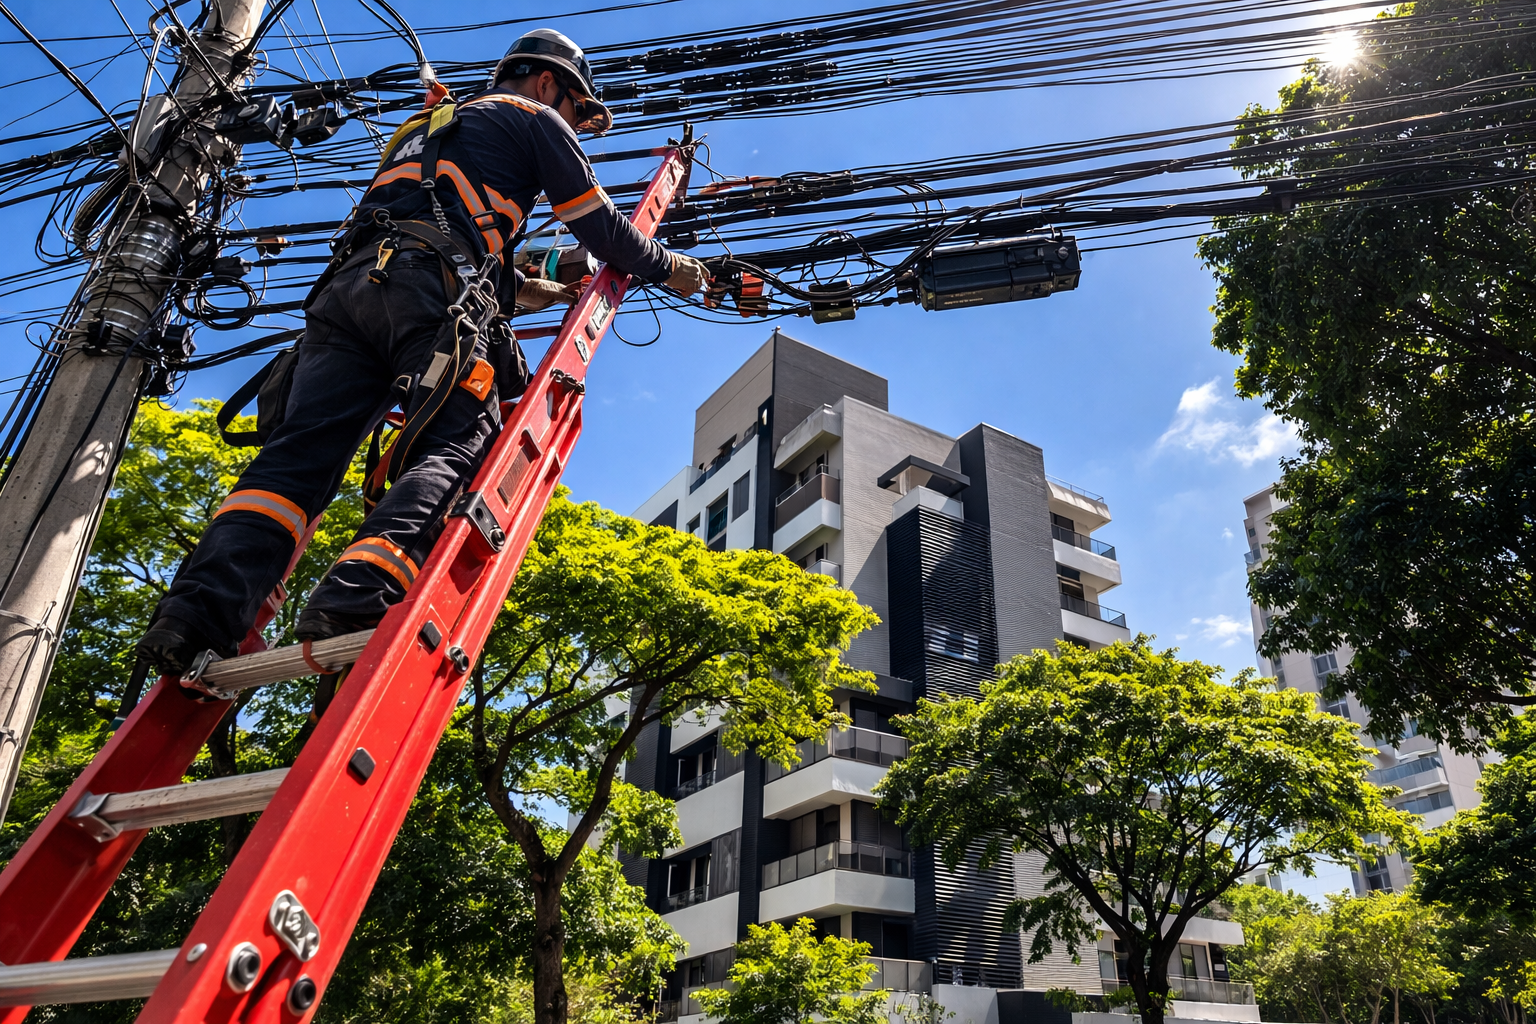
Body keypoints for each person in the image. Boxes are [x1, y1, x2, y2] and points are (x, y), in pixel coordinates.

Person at [138, 28, 710, 675]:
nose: (576, 123)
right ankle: (359, 595)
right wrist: (671, 266)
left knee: (293, 465)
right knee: (462, 442)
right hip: (427, 296)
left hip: (346, 298)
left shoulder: (427, 127)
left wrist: (532, 291)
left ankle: (194, 617)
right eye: (578, 110)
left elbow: (440, 221)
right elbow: (602, 227)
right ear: (548, 82)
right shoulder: (533, 117)